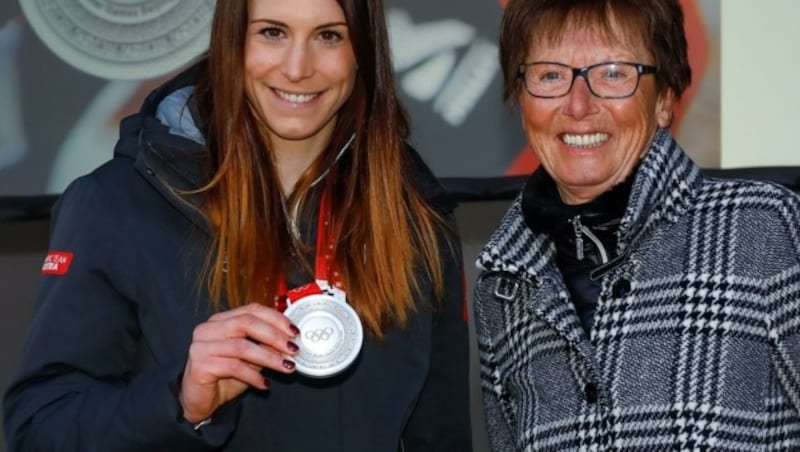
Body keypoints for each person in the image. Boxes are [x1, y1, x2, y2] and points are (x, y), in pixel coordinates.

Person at [3, 0, 472, 450]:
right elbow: (41, 430)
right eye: (272, 32)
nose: (296, 67)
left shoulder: (415, 214)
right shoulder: (115, 204)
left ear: (363, 52)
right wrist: (180, 400)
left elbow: (440, 435)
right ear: (231, 40)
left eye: (329, 36)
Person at [473, 0, 800, 450]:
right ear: (520, 98)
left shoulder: (763, 230)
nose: (579, 104)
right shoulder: (503, 288)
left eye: (612, 73)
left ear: (665, 98)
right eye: (550, 75)